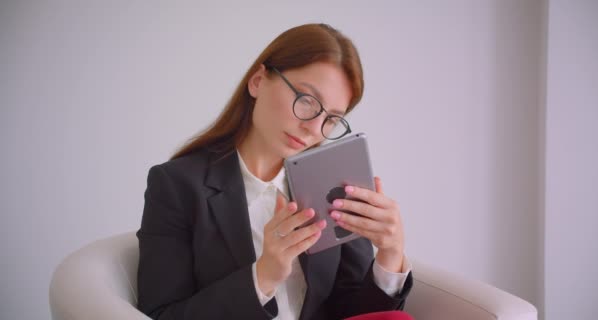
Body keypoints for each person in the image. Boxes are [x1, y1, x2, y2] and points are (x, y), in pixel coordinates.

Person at [136, 23, 413, 320]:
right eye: (307, 100)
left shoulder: (333, 184)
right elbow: (161, 314)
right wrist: (263, 276)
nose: (313, 128)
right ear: (257, 81)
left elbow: (353, 314)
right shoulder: (177, 185)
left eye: (331, 119)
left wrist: (390, 255)